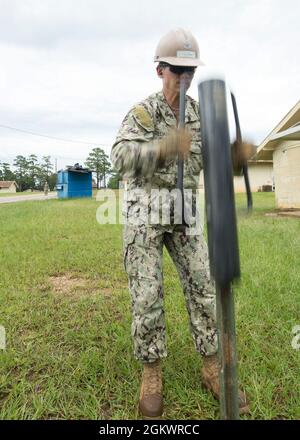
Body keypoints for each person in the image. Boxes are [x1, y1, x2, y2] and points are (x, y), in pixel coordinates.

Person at [111, 28, 250, 418]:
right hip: (145, 214)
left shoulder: (199, 117)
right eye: (176, 69)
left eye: (190, 70)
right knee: (147, 295)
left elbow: (214, 163)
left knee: (205, 287)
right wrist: (162, 147)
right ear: (160, 70)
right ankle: (152, 373)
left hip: (184, 213)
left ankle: (211, 366)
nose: (184, 77)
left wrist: (236, 157)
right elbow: (119, 156)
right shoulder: (144, 113)